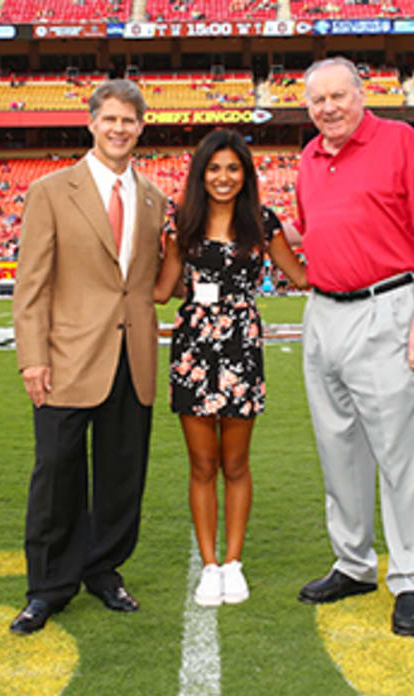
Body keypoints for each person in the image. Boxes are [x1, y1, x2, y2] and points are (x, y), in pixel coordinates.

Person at [292, 57, 414, 637]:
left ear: (361, 95)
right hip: (324, 312)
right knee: (339, 451)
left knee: (399, 453)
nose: (328, 108)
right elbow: (310, 233)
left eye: (338, 96)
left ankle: (411, 578)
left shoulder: (400, 141)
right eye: (317, 101)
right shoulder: (308, 157)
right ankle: (353, 562)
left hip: (387, 307)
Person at [9, 78, 168, 635]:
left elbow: (149, 282)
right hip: (67, 357)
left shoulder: (153, 199)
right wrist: (33, 357)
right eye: (111, 119)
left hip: (134, 357)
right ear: (92, 123)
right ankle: (48, 586)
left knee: (123, 476)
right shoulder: (52, 191)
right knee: (56, 475)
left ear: (141, 127)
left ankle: (103, 568)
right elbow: (31, 285)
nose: (120, 129)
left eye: (130, 120)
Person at [153, 128, 306, 607]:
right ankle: (210, 566)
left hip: (242, 345)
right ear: (201, 174)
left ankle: (234, 564)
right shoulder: (180, 222)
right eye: (214, 168)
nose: (223, 177)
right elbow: (161, 290)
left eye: (233, 168)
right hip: (194, 347)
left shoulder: (262, 221)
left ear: (246, 174)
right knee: (202, 464)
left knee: (236, 463)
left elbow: (301, 275)